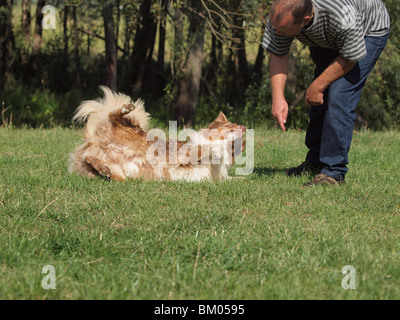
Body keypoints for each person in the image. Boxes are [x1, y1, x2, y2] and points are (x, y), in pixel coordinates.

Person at [262, 0, 390, 186]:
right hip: (327, 35)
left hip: (368, 30)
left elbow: (351, 56)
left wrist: (318, 85)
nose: (277, 32)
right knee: (319, 98)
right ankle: (315, 162)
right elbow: (278, 52)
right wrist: (278, 97)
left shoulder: (341, 16)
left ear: (306, 20)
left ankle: (334, 172)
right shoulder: (281, 16)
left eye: (283, 30)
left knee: (339, 95)